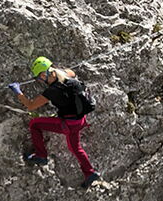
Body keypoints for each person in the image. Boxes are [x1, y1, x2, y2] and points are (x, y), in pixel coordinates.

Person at [8, 56, 101, 188]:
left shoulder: (52, 91)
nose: (40, 80)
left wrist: (18, 91)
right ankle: (90, 173)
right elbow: (71, 72)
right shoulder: (67, 76)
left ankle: (41, 155)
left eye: (40, 77)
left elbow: (30, 105)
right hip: (80, 120)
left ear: (46, 73)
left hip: (67, 124)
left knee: (34, 124)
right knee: (75, 148)